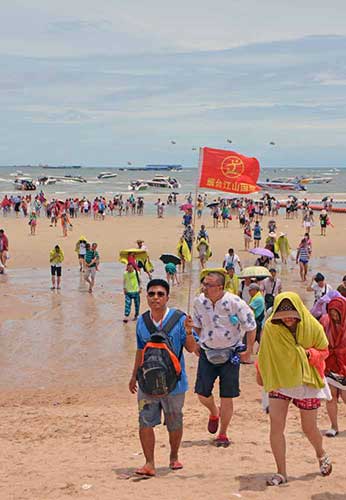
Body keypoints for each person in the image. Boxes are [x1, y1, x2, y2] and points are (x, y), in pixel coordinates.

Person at [257, 292, 332, 486]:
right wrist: (261, 375)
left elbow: (324, 350)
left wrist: (308, 354)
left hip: (306, 382)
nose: (288, 318)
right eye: (283, 314)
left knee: (309, 428)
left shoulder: (312, 325)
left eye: (291, 313)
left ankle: (321, 453)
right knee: (276, 426)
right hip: (280, 380)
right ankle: (281, 472)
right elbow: (264, 354)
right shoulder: (270, 328)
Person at [128, 279, 196, 476]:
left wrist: (190, 331)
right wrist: (133, 376)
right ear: (146, 297)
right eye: (151, 294)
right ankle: (149, 463)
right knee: (145, 421)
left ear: (167, 297)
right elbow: (140, 350)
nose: (155, 297)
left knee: (174, 421)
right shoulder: (142, 321)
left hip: (175, 383)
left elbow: (192, 349)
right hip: (146, 382)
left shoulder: (180, 319)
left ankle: (174, 456)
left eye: (160, 294)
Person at [193, 271, 256, 446]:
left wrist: (249, 350)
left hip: (231, 353)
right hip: (207, 351)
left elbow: (251, 326)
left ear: (220, 287)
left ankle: (223, 433)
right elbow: (197, 325)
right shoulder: (199, 301)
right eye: (203, 284)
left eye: (209, 285)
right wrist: (197, 341)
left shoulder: (235, 302)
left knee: (227, 395)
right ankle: (214, 411)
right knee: (201, 393)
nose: (204, 287)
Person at [320, 297, 346, 437]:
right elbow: (318, 339)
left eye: (337, 312)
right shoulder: (325, 321)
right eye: (332, 312)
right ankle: (334, 426)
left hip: (344, 364)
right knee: (331, 397)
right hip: (329, 364)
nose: (334, 315)